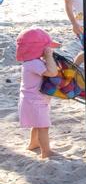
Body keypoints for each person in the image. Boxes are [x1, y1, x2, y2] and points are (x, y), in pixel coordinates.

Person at [16, 28, 60, 159]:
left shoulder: (31, 62)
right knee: (43, 126)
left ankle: (33, 144)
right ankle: (46, 151)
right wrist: (49, 57)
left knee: (37, 124)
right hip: (35, 101)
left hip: (33, 100)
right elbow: (52, 72)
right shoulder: (34, 63)